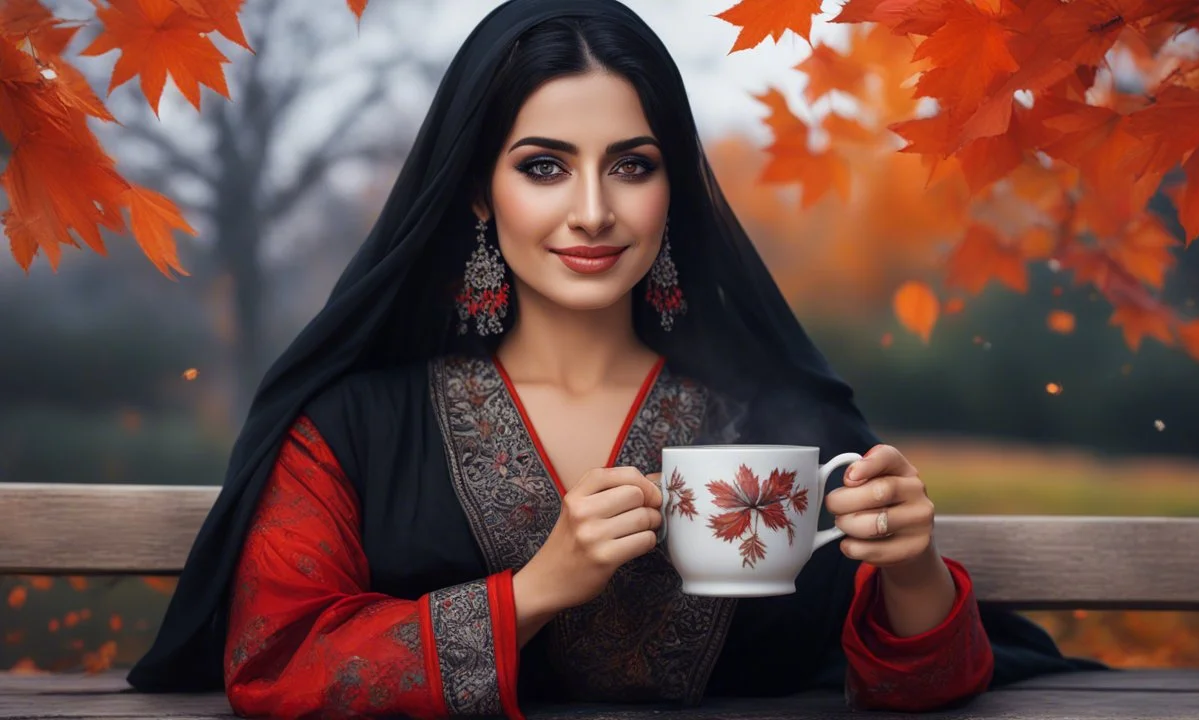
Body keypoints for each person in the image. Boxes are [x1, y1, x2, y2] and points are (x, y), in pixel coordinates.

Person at [125, 0, 1103, 717]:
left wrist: (911, 568)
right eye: (543, 165)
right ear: (478, 191)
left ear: (670, 189)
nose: (592, 210)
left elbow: (924, 686)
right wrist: (537, 589)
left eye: (631, 166)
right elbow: (275, 663)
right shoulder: (354, 427)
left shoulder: (769, 420)